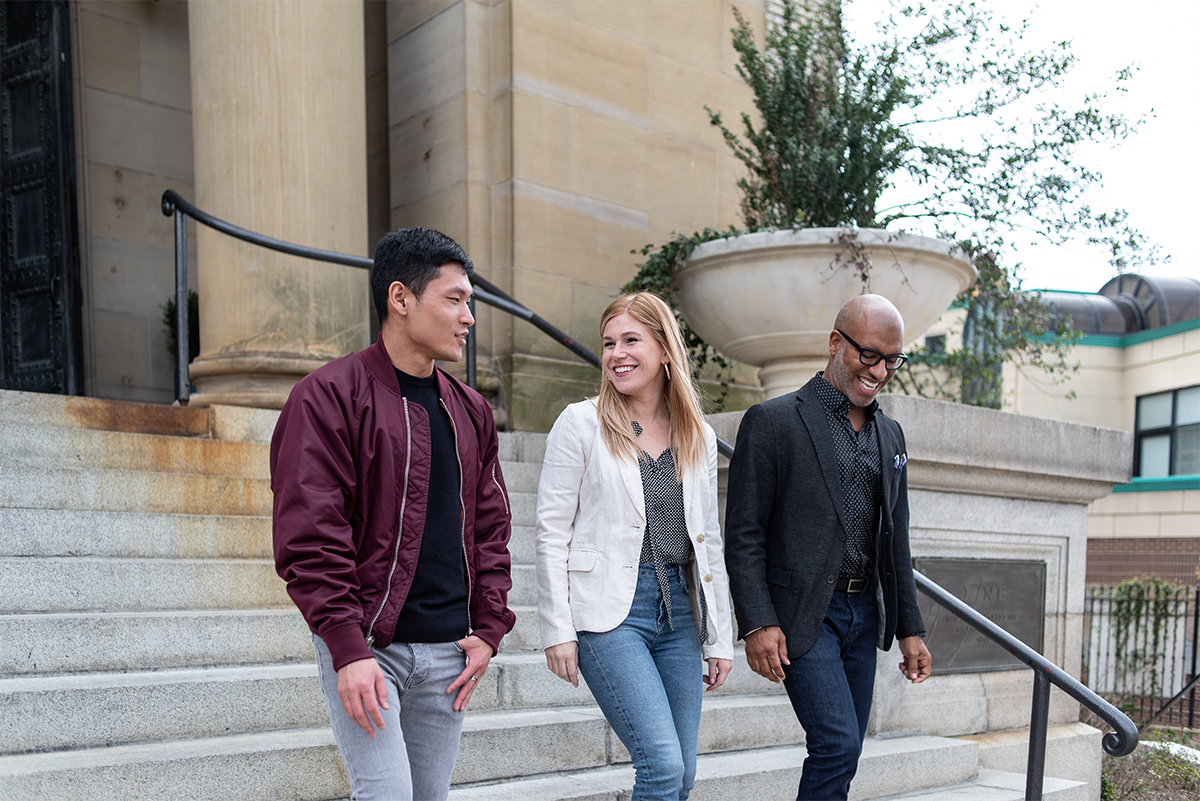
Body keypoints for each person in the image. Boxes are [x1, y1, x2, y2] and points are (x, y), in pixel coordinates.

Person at [271, 227, 515, 801]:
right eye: (454, 299)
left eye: (469, 302)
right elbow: (311, 535)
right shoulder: (327, 396)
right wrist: (348, 649)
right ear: (400, 298)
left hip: (449, 653)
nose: (468, 317)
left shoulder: (472, 411)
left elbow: (490, 528)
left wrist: (489, 629)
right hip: (368, 646)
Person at [724, 294, 932, 801]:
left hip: (865, 614)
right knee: (837, 743)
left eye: (893, 360)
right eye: (870, 355)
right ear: (837, 343)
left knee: (846, 750)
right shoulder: (772, 422)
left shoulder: (892, 434)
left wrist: (910, 627)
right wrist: (756, 620)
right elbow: (744, 533)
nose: (881, 370)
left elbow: (895, 538)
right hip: (803, 614)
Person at [535, 292, 734, 801]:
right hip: (609, 614)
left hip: (678, 613)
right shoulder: (581, 422)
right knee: (663, 767)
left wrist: (719, 637)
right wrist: (558, 630)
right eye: (608, 343)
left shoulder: (699, 435)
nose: (617, 353)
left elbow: (707, 540)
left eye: (631, 340)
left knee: (683, 774)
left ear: (665, 349)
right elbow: (551, 531)